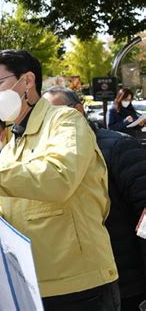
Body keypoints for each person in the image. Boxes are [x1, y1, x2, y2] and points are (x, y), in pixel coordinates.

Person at [0, 49, 120, 310]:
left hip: (79, 285)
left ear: (27, 81)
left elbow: (58, 178)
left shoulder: (64, 121)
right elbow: (24, 199)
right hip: (31, 282)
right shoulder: (14, 143)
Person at [44, 86, 146, 310]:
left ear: (78, 111)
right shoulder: (47, 159)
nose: (48, 123)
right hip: (84, 286)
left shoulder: (118, 147)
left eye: (54, 114)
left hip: (129, 283)